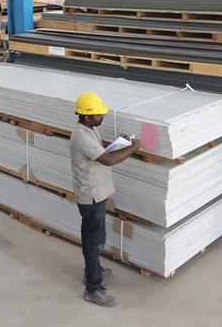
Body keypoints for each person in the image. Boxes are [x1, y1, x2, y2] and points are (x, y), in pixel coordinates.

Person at [69, 92, 140, 308]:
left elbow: (101, 152)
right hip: (92, 196)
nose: (103, 116)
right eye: (99, 114)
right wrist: (133, 148)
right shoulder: (82, 136)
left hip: (95, 192)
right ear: (87, 117)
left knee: (91, 237)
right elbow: (107, 160)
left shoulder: (89, 130)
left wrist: (120, 144)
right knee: (95, 241)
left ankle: (92, 272)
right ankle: (93, 288)